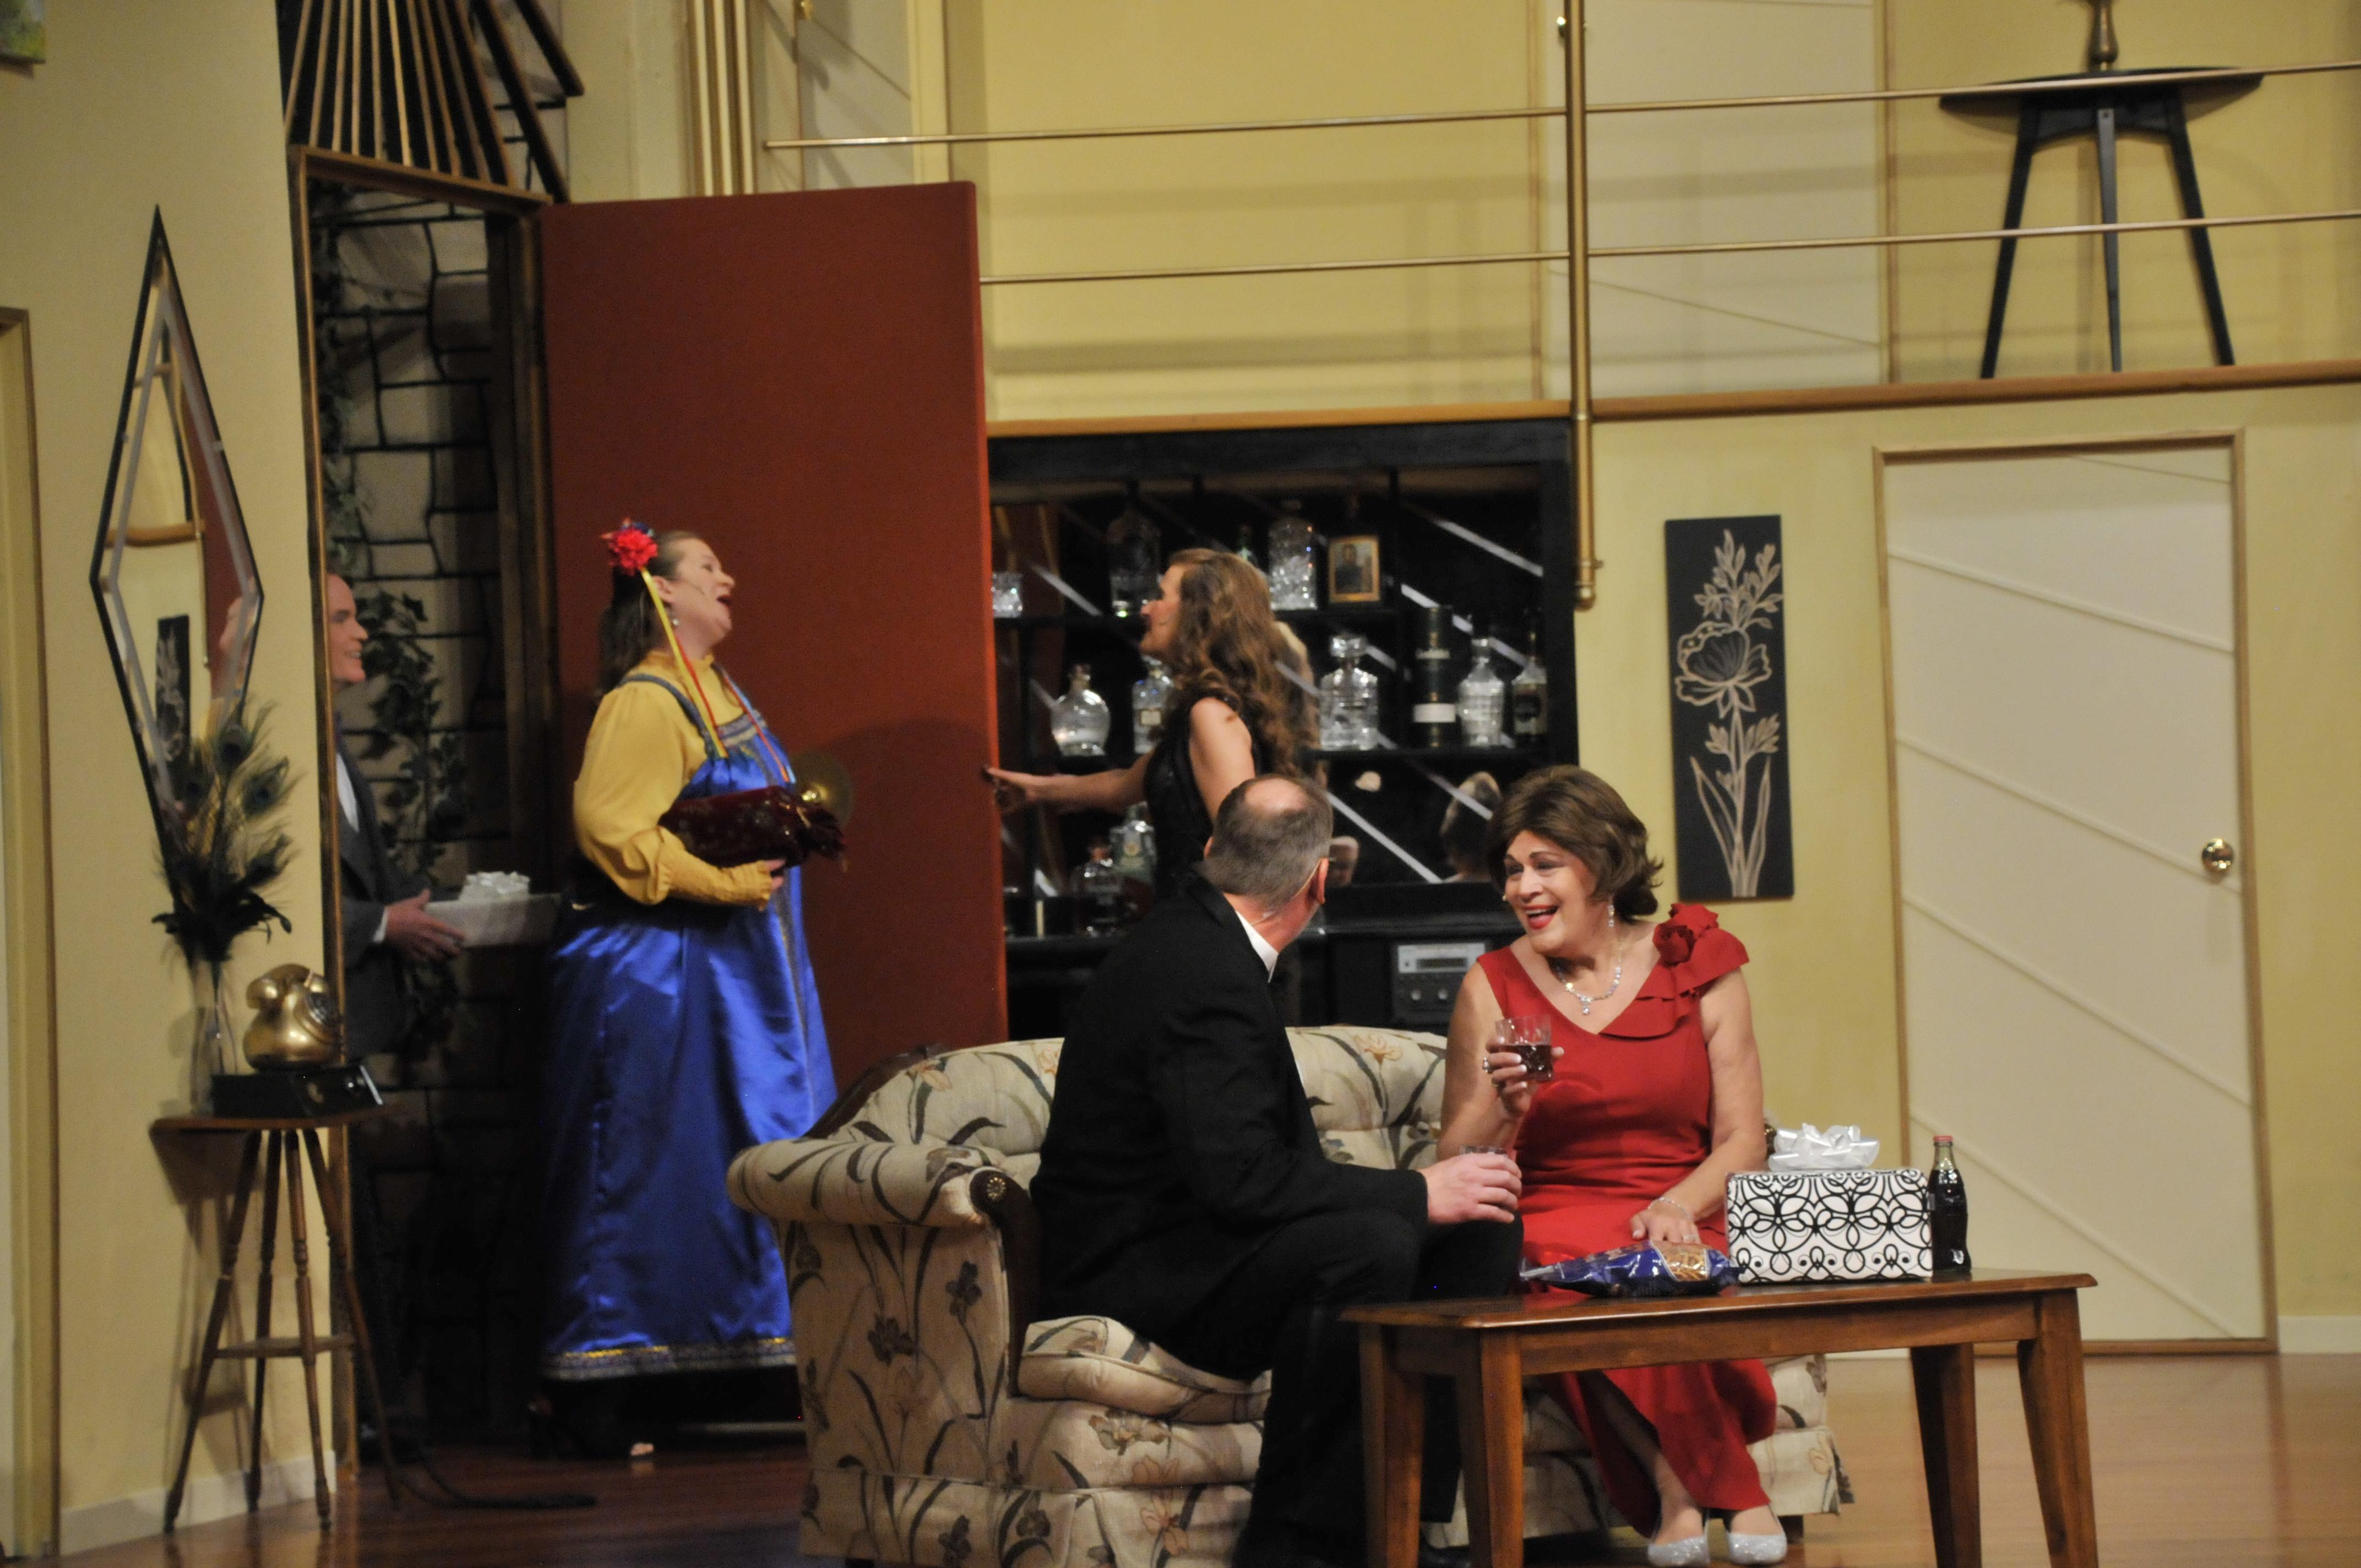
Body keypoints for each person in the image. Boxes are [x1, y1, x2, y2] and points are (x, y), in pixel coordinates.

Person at [1031, 776, 1526, 1568]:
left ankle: (1403, 1523)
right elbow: (1242, 1180)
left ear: (1211, 851)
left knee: (1478, 1229)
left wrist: (1425, 1202)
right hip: (1138, 1264)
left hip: (1200, 1238)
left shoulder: (1200, 940)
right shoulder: (1202, 971)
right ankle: (1296, 1542)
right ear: (1319, 881)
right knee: (1367, 1247)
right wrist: (1414, 1191)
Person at [1435, 766, 1785, 1568]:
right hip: (1553, 1216)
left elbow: (1743, 1140)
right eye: (1511, 871)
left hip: (1688, 1210)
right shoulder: (1492, 985)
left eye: (1544, 865)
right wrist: (1508, 1107)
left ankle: (1682, 1492)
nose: (1522, 888)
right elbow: (1455, 1161)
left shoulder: (1697, 961)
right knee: (1571, 1276)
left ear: (1602, 865)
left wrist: (1677, 1205)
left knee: (1672, 1275)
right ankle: (1704, 1487)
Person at [538, 524, 833, 1452]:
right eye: (708, 566)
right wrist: (724, 881)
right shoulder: (647, 699)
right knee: (649, 1165)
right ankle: (606, 1380)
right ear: (661, 589)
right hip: (668, 977)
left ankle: (750, 1359)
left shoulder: (716, 689)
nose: (727, 577)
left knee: (734, 1155)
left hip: (738, 979)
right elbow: (609, 826)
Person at [984, 548, 1314, 901]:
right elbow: (1122, 786)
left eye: (1160, 596)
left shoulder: (1210, 714)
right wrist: (1036, 790)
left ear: (1197, 616)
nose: (1145, 609)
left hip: (1205, 925)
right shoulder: (1202, 712)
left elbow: (1245, 849)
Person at [325, 574, 461, 1058]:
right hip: (313, 1019)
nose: (361, 633)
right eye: (342, 619)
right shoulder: (288, 743)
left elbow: (370, 873)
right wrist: (382, 924)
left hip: (356, 1020)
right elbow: (288, 899)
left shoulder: (330, 736)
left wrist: (466, 909)